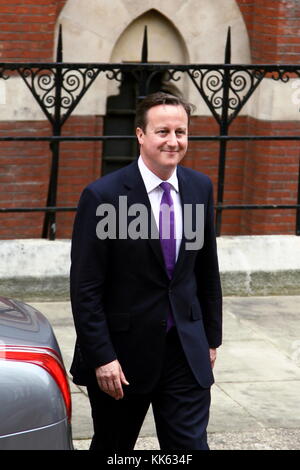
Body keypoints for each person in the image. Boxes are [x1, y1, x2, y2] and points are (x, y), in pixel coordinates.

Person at [70, 91, 222, 451]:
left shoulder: (199, 188)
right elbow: (86, 287)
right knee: (113, 448)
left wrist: (211, 339)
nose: (173, 141)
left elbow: (206, 268)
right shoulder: (104, 197)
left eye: (181, 132)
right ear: (140, 135)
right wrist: (102, 357)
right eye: (163, 131)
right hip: (122, 358)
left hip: (185, 350)